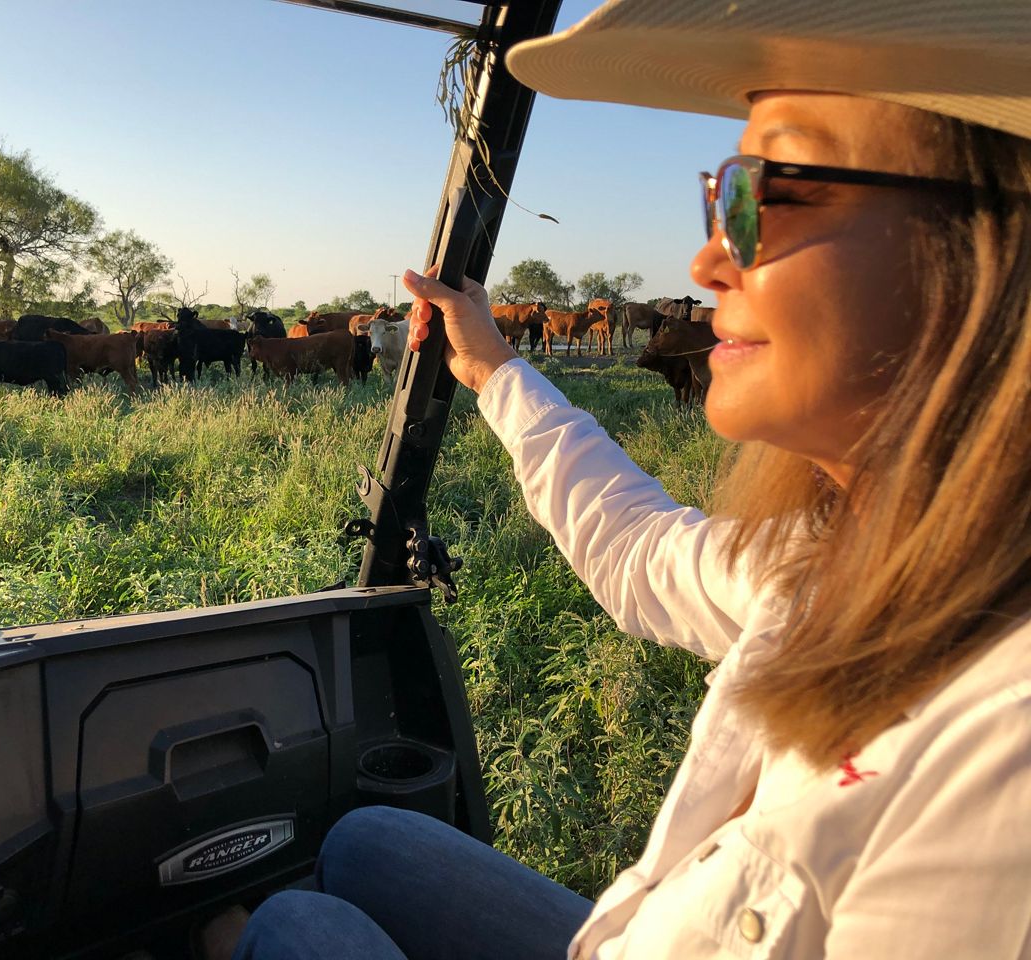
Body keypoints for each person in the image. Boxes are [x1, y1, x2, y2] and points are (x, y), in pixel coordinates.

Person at [231, 0, 1031, 956]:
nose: (708, 258)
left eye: (767, 190)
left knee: (290, 925)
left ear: (992, 250)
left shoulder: (1003, 765)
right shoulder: (840, 560)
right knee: (368, 842)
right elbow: (637, 543)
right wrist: (493, 371)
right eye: (722, 195)